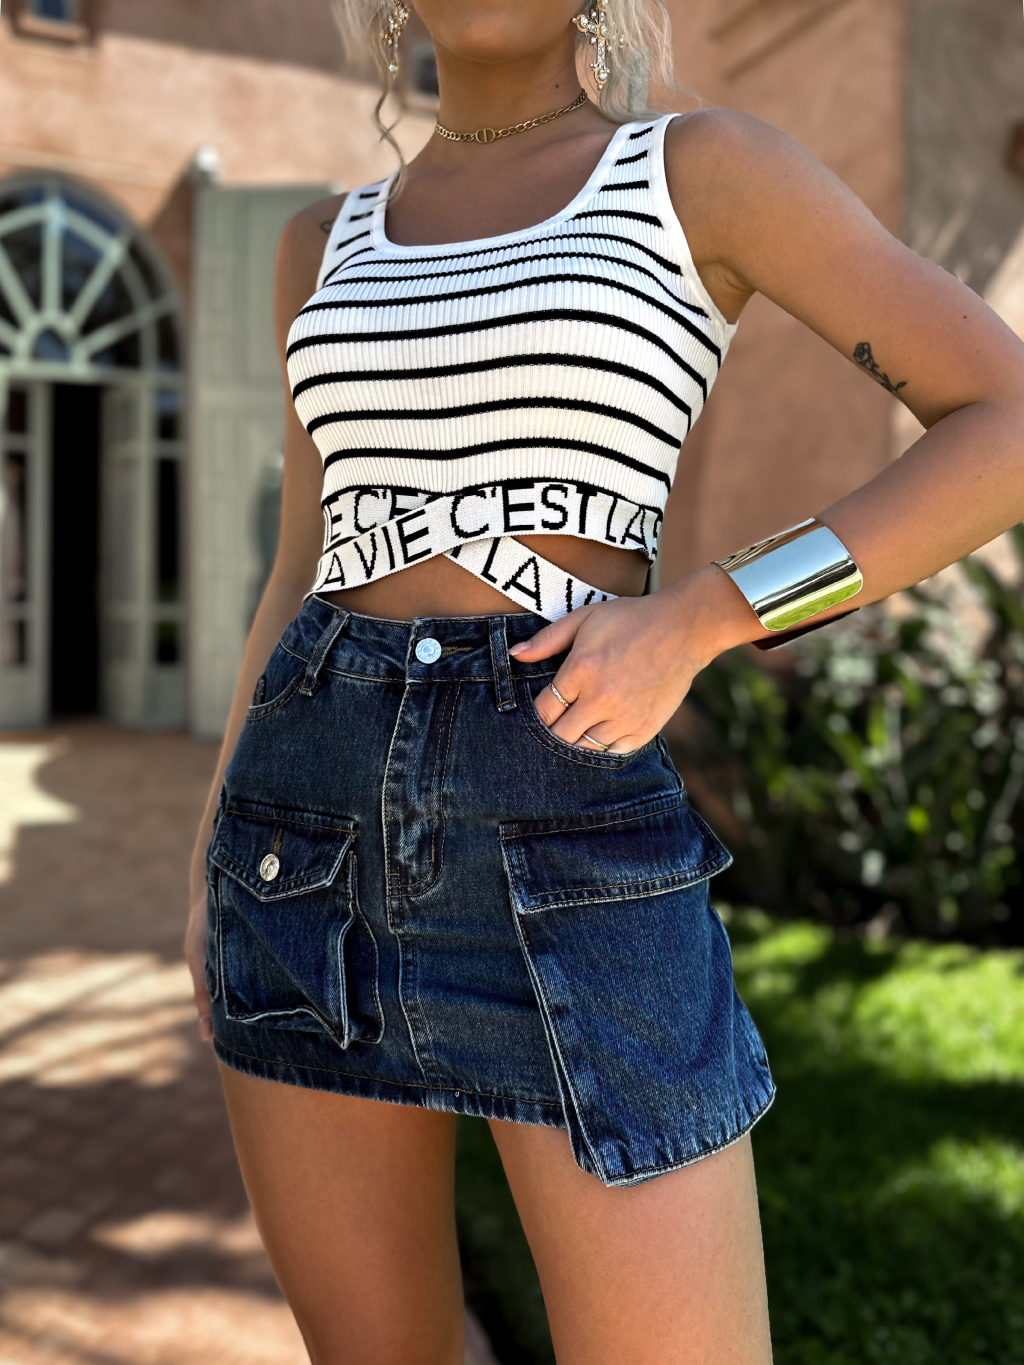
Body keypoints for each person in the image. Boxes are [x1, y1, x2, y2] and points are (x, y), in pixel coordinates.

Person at [184, 2, 1024, 1360]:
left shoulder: (699, 173)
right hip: (298, 839)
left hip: (569, 821)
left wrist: (709, 614)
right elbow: (299, 569)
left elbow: (1005, 420)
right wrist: (209, 853)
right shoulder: (317, 243)